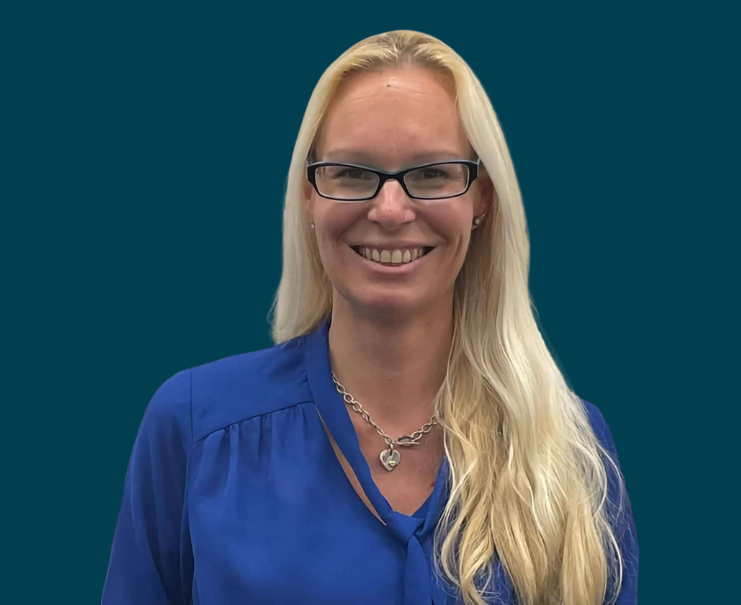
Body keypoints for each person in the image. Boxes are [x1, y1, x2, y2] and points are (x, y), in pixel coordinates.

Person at [102, 30, 639, 605]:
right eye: (352, 173)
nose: (389, 210)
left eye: (432, 173)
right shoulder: (195, 430)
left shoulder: (569, 448)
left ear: (481, 198)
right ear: (309, 195)